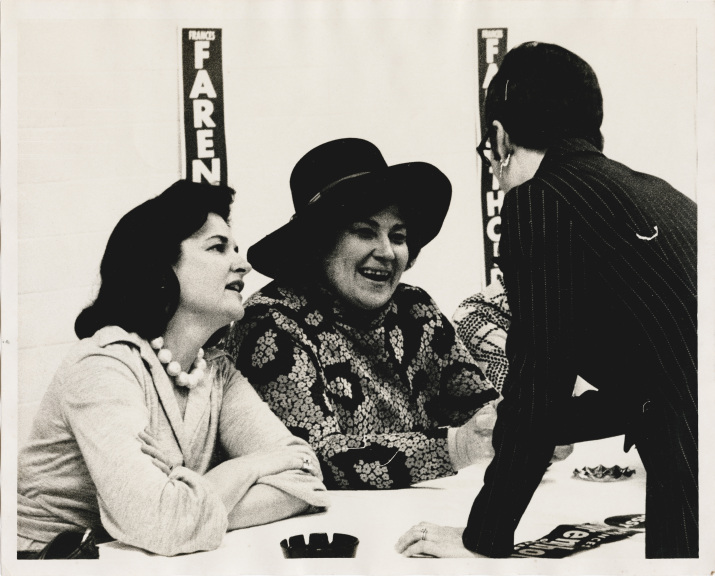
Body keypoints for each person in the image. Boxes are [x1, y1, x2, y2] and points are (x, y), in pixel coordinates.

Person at [396, 42, 697, 559]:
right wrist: (542, 427)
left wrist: (484, 536)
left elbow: (540, 380)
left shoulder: (539, 200)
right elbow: (660, 375)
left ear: (499, 138)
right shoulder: (665, 195)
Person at [17, 180, 329, 558]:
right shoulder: (104, 365)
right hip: (48, 560)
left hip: (144, 559)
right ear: (160, 267)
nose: (242, 264)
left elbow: (306, 475)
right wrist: (249, 468)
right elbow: (160, 524)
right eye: (217, 247)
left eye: (235, 248)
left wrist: (187, 504)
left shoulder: (215, 370)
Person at [223, 138, 500, 490]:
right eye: (365, 232)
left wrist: (524, 428)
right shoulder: (270, 322)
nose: (387, 252)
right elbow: (311, 457)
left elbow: (481, 409)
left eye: (398, 236)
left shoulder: (415, 308)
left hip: (418, 514)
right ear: (319, 242)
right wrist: (458, 447)